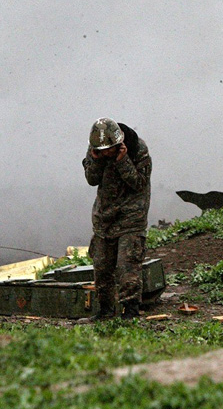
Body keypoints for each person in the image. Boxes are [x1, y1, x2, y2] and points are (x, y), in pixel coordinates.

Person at [82, 117, 152, 321]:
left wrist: (123, 162)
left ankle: (130, 312)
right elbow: (91, 179)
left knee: (127, 266)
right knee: (102, 266)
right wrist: (95, 160)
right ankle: (105, 312)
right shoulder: (96, 149)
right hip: (105, 217)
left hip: (131, 217)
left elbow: (139, 183)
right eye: (100, 151)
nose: (105, 154)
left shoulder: (138, 150)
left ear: (119, 145)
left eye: (108, 150)